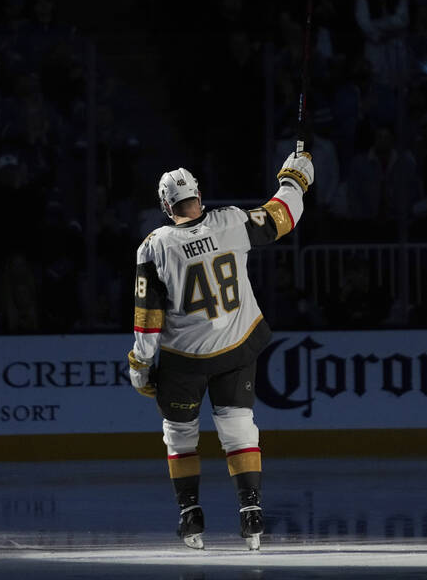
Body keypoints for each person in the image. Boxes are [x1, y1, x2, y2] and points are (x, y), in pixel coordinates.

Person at [127, 152, 314, 551]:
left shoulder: (154, 246)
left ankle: (190, 514)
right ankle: (251, 514)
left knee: (179, 436)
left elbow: (148, 318)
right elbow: (282, 215)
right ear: (199, 193)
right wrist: (295, 177)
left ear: (165, 206)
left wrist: (140, 363)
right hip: (235, 348)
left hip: (184, 361)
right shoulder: (230, 221)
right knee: (239, 429)